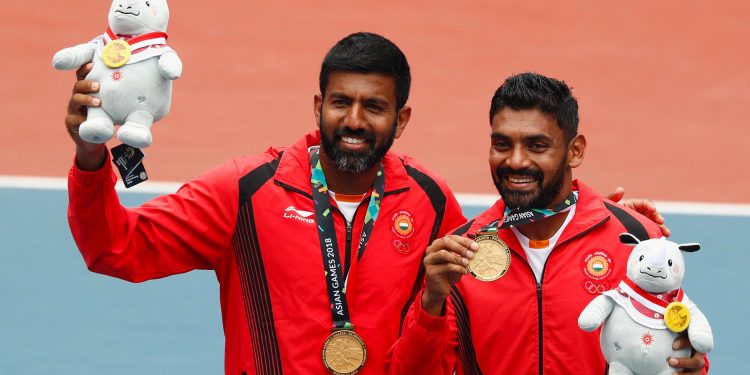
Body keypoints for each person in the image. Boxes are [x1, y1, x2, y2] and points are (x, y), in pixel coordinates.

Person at [66, 32, 667, 374]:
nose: (353, 121)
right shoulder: (246, 190)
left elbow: (496, 267)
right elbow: (114, 248)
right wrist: (92, 158)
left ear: (400, 120)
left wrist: (603, 225)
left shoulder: (430, 201)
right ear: (318, 106)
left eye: (373, 107)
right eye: (339, 103)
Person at [386, 72, 707, 374]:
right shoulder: (461, 254)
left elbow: (682, 353)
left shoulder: (634, 238)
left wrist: (689, 365)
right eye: (502, 144)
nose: (515, 160)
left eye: (536, 145)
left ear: (574, 151)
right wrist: (432, 301)